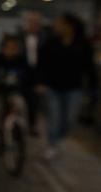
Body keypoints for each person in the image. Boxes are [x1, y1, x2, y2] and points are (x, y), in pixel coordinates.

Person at [37, 13, 97, 159]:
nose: (56, 26)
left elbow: (89, 67)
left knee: (69, 119)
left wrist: (92, 86)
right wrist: (40, 82)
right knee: (54, 117)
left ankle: (59, 138)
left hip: (73, 88)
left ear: (69, 26)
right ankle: (52, 144)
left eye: (60, 23)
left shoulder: (82, 44)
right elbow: (42, 64)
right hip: (53, 87)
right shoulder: (51, 42)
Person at [0, 35, 30, 169]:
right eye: (8, 47)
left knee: (21, 106)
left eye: (14, 48)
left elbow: (29, 77)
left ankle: (20, 131)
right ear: (3, 48)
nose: (11, 50)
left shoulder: (22, 62)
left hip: (14, 93)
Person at [18, 12, 45, 136]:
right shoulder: (20, 36)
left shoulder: (43, 38)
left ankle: (32, 125)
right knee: (18, 100)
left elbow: (47, 60)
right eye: (31, 22)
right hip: (22, 72)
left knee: (33, 102)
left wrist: (42, 81)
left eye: (36, 22)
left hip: (37, 73)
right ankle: (18, 125)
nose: (33, 25)